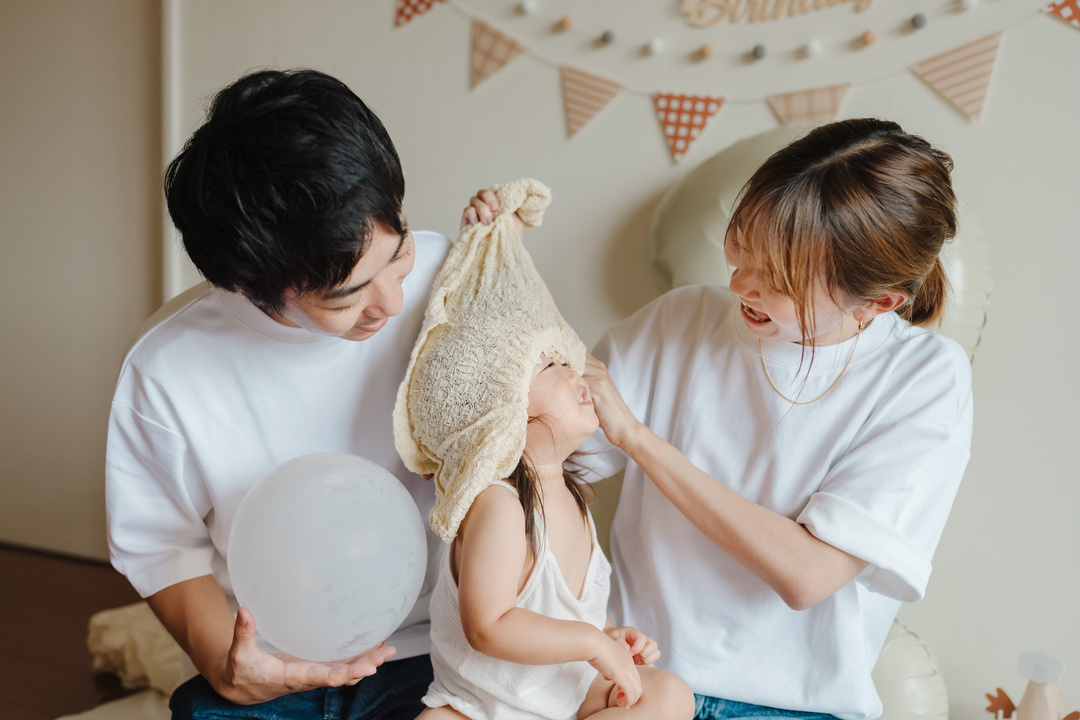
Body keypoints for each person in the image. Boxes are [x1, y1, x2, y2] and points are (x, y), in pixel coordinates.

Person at [580, 118, 974, 720]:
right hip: (636, 682)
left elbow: (807, 575)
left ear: (879, 302)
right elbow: (548, 468)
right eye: (742, 245)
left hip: (788, 707)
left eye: (781, 278)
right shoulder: (678, 320)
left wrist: (638, 439)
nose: (740, 283)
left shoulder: (923, 378)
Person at [105, 68, 450, 719]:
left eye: (398, 253)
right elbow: (160, 545)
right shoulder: (168, 369)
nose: (391, 303)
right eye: (346, 297)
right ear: (249, 284)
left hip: (442, 641)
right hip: (275, 652)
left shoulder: (454, 281)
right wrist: (232, 672)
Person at [393, 179, 695, 720]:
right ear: (503, 407)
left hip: (566, 696)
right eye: (552, 364)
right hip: (480, 707)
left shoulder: (573, 496)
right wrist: (591, 642)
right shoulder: (498, 504)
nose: (577, 370)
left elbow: (569, 615)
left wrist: (610, 635)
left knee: (670, 695)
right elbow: (490, 625)